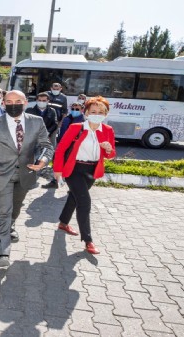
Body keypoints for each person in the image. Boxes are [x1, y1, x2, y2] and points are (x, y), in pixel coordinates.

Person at [0, 90, 54, 268]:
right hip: (1, 174)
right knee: (3, 211)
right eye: (9, 101)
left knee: (16, 207)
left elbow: (46, 145)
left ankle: (10, 225)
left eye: (18, 100)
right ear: (3, 103)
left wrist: (43, 160)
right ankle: (3, 251)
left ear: (26, 102)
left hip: (26, 174)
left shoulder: (37, 122)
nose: (13, 104)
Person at [53, 96, 116, 255]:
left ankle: (63, 223)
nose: (97, 114)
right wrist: (57, 171)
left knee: (74, 198)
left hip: (91, 171)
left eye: (101, 112)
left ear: (106, 114)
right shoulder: (76, 127)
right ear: (86, 112)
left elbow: (110, 155)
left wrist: (108, 150)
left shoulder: (108, 130)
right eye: (93, 111)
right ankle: (88, 240)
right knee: (84, 202)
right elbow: (60, 149)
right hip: (74, 169)